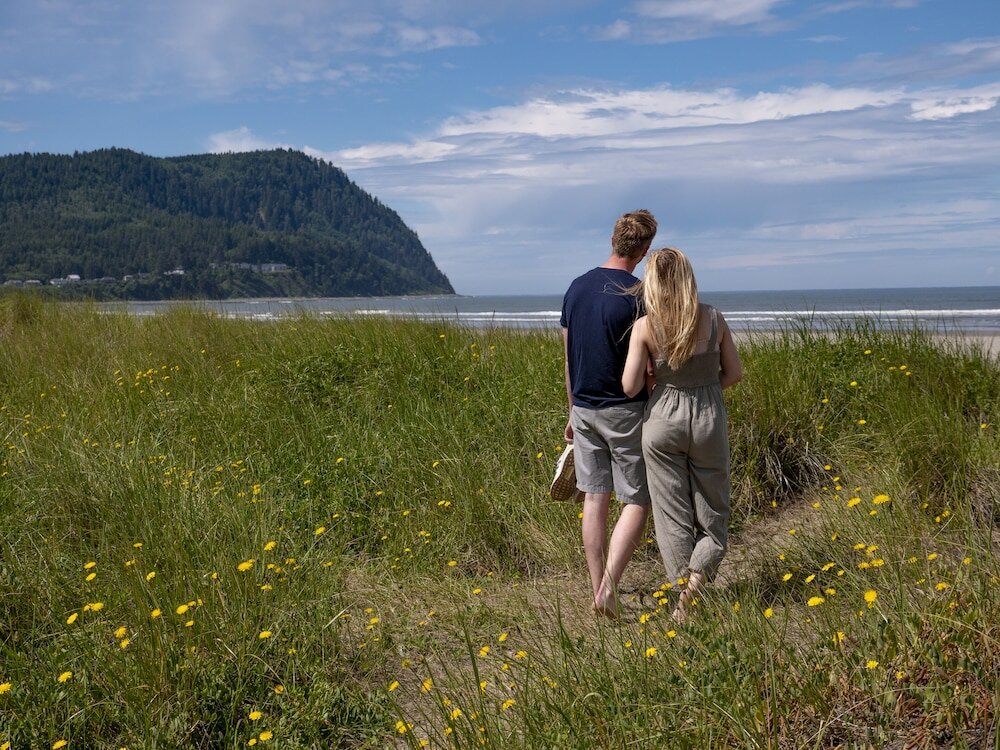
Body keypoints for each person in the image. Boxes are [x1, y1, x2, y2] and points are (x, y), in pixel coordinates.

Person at [621, 247, 742, 622]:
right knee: (713, 511)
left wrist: (660, 382)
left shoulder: (645, 326)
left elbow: (628, 386)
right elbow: (734, 374)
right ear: (689, 277)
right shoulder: (714, 318)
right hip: (707, 415)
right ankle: (694, 589)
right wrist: (703, 388)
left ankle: (682, 594)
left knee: (671, 513)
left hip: (662, 419)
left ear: (653, 283)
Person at [561, 209, 658, 618]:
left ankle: (597, 587)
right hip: (625, 410)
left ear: (614, 239)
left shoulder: (577, 287)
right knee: (638, 499)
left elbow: (568, 356)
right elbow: (649, 363)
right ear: (645, 249)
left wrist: (570, 410)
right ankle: (608, 590)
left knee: (595, 498)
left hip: (583, 407)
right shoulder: (638, 294)